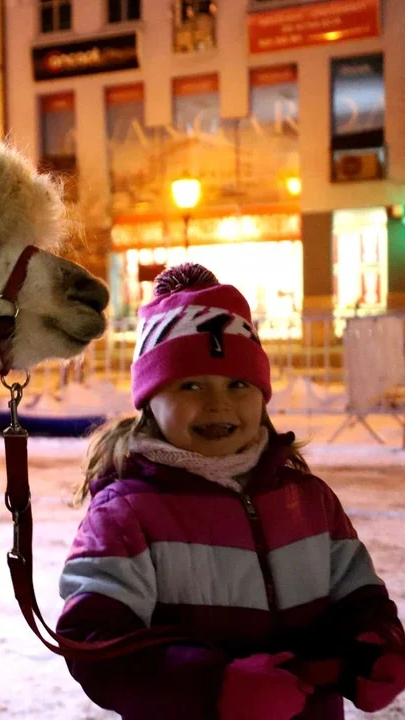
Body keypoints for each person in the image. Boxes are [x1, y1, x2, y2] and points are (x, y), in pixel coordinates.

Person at [58, 263, 405, 720]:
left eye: (238, 384)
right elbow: (95, 640)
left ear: (262, 395)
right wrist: (214, 688)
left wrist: (375, 648)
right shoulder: (125, 513)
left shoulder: (309, 500)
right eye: (190, 384)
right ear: (149, 404)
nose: (217, 402)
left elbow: (359, 598)